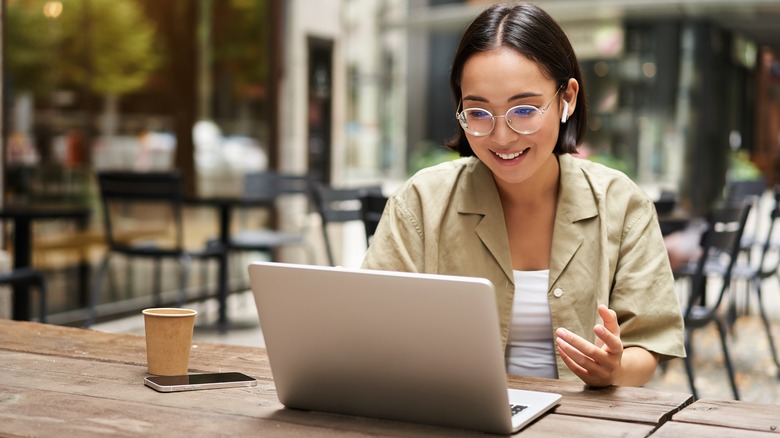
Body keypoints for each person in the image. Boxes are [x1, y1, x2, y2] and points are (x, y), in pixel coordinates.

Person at [362, 2, 685, 387]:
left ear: (566, 99)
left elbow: (646, 344)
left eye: (525, 110)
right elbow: (370, 331)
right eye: (479, 114)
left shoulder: (622, 204)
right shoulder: (420, 204)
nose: (501, 137)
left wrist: (613, 369)